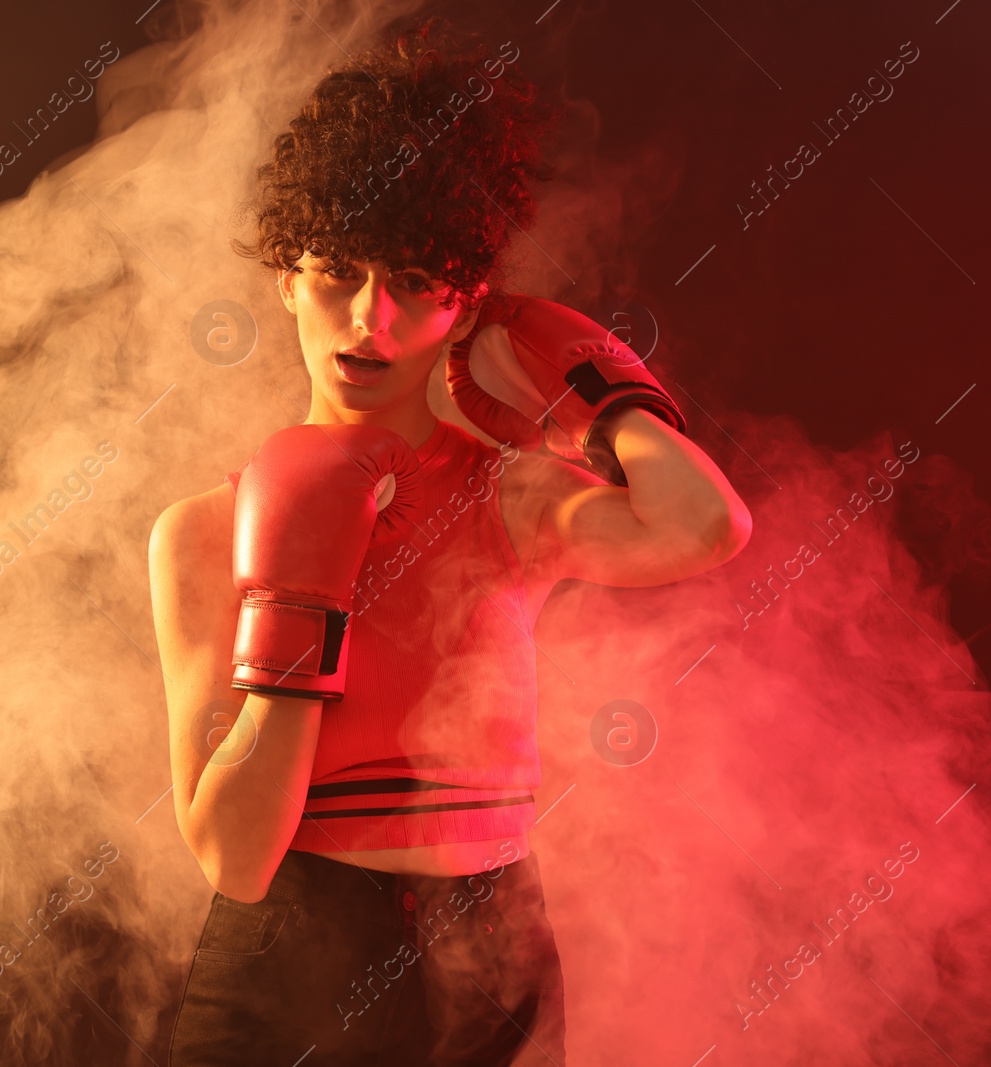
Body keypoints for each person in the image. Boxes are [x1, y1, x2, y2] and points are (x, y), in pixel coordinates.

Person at [147, 22, 752, 1066]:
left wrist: (599, 397)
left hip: (486, 950)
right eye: (337, 272)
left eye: (415, 280)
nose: (370, 321)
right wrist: (300, 600)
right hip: (285, 964)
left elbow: (707, 526)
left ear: (467, 301)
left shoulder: (506, 499)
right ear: (286, 275)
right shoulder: (205, 530)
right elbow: (236, 859)